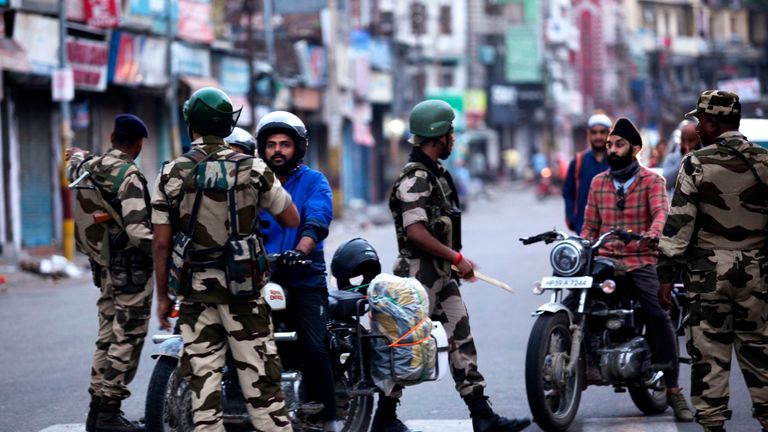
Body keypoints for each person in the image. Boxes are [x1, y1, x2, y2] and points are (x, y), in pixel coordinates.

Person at [151, 87, 300, 432]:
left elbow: (160, 244)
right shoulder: (253, 168)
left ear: (192, 126)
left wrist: (163, 297)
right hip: (244, 295)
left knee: (203, 394)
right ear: (226, 125)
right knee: (263, 391)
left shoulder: (170, 173)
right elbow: (291, 219)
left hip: (195, 294)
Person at [384, 99, 531, 432]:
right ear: (439, 136)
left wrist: (452, 264)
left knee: (461, 339)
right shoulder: (415, 179)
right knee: (406, 344)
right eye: (451, 133)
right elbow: (415, 231)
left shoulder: (436, 175)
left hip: (441, 275)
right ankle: (384, 416)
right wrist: (457, 259)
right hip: (417, 277)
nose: (454, 139)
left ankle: (482, 414)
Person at [657, 90, 768, 432]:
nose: (698, 128)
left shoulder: (696, 163)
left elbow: (678, 226)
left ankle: (714, 424)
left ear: (711, 122)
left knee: (710, 360)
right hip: (758, 276)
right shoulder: (764, 162)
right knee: (761, 356)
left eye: (699, 121)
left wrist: (665, 277)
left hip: (708, 279)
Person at [580, 117, 693, 422]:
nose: (612, 149)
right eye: (609, 145)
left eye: (619, 144)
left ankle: (672, 389)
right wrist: (582, 246)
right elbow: (590, 225)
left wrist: (655, 232)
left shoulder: (652, 181)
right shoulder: (598, 183)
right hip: (605, 260)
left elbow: (660, 213)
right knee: (575, 301)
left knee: (658, 314)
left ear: (635, 148)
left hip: (641, 258)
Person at [66, 114, 154, 432]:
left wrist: (76, 154)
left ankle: (96, 410)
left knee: (106, 336)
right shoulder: (129, 175)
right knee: (126, 337)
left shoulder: (88, 167)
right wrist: (164, 251)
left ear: (113, 137)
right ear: (138, 143)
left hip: (103, 264)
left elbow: (72, 165)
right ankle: (108, 412)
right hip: (131, 270)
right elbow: (138, 233)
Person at [254, 111, 337, 431]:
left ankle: (329, 416)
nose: (277, 150)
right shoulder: (252, 180)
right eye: (272, 144)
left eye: (285, 144)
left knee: (314, 346)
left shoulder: (314, 181)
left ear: (298, 148)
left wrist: (299, 251)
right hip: (260, 276)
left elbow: (318, 219)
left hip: (304, 275)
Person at [562, 113, 611, 233]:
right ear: (589, 134)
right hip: (584, 228)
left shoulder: (617, 160)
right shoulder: (579, 161)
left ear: (609, 134)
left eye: (602, 132)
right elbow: (568, 192)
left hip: (612, 228)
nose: (598, 136)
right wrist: (572, 218)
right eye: (594, 132)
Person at [661, 120, 702, 196]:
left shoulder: (705, 160)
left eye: (690, 140)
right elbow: (666, 184)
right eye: (683, 140)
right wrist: (683, 162)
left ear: (699, 140)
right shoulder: (672, 159)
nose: (686, 145)